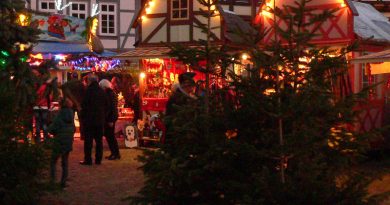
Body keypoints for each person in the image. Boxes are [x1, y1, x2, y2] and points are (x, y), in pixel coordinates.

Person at [79, 74, 108, 165]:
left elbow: (84, 105)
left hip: (89, 120)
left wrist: (83, 117)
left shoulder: (88, 91)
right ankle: (98, 159)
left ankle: (88, 159)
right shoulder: (102, 91)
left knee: (88, 141)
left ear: (89, 81)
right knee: (99, 141)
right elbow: (106, 105)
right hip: (99, 120)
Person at [48, 98, 75, 188]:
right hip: (68, 141)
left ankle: (52, 180)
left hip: (59, 140)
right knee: (65, 162)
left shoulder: (59, 115)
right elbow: (74, 129)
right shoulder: (71, 115)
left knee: (53, 161)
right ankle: (63, 182)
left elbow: (52, 128)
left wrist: (51, 130)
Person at [99, 79, 121, 160]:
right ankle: (115, 153)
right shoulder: (110, 93)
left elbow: (111, 108)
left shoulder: (109, 94)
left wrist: (110, 119)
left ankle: (115, 154)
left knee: (110, 137)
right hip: (110, 118)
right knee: (110, 137)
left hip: (110, 118)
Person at [33, 77, 55, 143]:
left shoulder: (36, 87)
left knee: (37, 122)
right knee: (44, 123)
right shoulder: (47, 88)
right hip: (44, 107)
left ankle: (38, 138)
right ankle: (45, 136)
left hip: (36, 106)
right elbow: (50, 98)